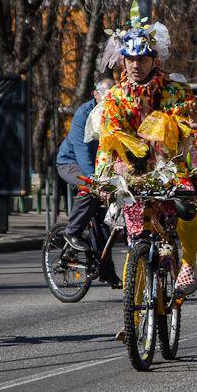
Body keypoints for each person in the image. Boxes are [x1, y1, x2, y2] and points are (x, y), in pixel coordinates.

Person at [94, 4, 197, 296]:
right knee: (136, 239)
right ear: (122, 62)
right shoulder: (115, 98)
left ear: (154, 60)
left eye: (142, 59)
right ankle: (133, 320)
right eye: (130, 60)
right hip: (134, 172)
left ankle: (188, 263)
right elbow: (107, 141)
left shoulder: (174, 90)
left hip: (173, 168)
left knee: (187, 208)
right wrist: (102, 176)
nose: (135, 66)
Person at [55, 77, 119, 286]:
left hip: (99, 168)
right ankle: (71, 232)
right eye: (106, 95)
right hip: (71, 163)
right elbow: (82, 151)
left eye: (113, 94)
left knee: (104, 223)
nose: (110, 99)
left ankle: (106, 271)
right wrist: (94, 181)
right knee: (89, 189)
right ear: (95, 94)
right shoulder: (84, 114)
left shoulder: (115, 113)